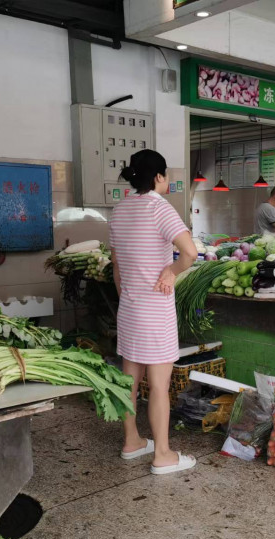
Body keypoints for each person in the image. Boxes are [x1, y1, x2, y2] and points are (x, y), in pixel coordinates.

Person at [109, 150, 198, 475]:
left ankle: (132, 441)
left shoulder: (119, 210)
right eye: (167, 175)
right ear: (158, 177)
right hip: (155, 312)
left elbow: (117, 268)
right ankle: (162, 454)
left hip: (130, 309)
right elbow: (191, 252)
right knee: (159, 385)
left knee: (129, 379)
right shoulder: (160, 208)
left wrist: (129, 297)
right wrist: (172, 271)